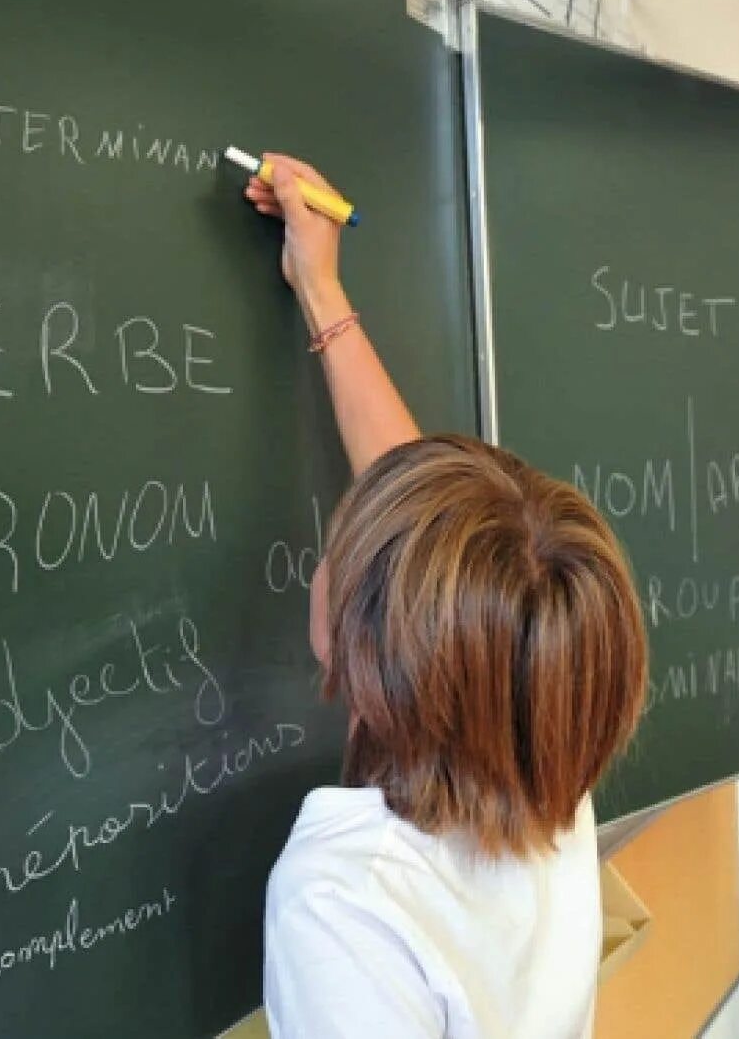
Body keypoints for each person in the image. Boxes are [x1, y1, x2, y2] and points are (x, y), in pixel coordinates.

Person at [245, 155, 648, 1039]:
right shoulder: (545, 780)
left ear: (372, 642)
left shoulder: (345, 896)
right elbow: (424, 518)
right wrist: (320, 291)